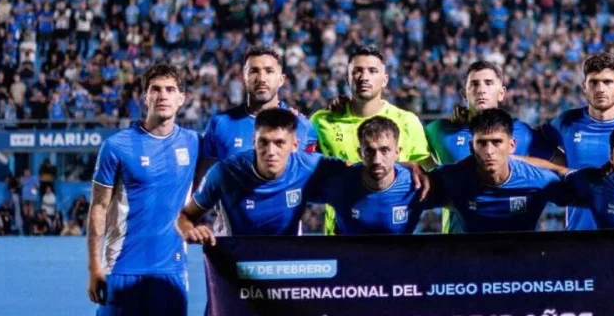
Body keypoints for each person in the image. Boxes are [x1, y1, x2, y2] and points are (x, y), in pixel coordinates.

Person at [180, 109, 431, 242]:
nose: (271, 151)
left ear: (295, 145)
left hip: (288, 270)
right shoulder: (225, 173)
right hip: (235, 271)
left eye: (280, 143)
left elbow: (364, 165)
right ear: (253, 141)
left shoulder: (312, 166)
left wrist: (406, 165)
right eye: (263, 142)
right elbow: (185, 216)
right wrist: (191, 230)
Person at [86, 63, 199, 316]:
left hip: (171, 271)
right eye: (155, 89)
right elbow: (98, 207)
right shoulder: (117, 146)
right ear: (144, 97)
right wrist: (94, 266)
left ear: (181, 98)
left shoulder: (194, 143)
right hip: (121, 269)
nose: (163, 95)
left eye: (170, 89)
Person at [311, 45, 432, 234]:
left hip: (397, 238)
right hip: (339, 238)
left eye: (372, 71)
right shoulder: (322, 121)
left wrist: (412, 165)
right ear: (347, 78)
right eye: (357, 71)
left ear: (385, 80)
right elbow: (303, 166)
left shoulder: (408, 122)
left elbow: (426, 175)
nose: (364, 77)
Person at [533, 53, 614, 230]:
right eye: (594, 82)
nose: (600, 89)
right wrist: (559, 162)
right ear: (584, 86)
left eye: (608, 82)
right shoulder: (567, 122)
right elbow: (530, 139)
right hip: (580, 236)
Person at [425, 60, 541, 233]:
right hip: (458, 243)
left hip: (512, 241)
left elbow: (557, 165)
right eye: (474, 84)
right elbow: (413, 159)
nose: (481, 89)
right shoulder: (440, 131)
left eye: (488, 83)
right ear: (464, 93)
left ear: (501, 93)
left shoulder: (523, 132)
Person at [197, 45, 318, 185]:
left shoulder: (303, 127)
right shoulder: (219, 124)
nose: (261, 78)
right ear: (243, 80)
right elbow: (202, 185)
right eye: (254, 71)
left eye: (269, 71)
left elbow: (312, 184)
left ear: (281, 80)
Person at [432, 109, 568, 233]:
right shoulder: (452, 177)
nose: (489, 151)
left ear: (512, 145)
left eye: (496, 142)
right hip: (466, 249)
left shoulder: (540, 179)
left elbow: (573, 188)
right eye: (482, 143)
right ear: (472, 147)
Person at [315, 116, 437, 235]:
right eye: (369, 151)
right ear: (360, 153)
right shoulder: (341, 183)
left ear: (397, 152)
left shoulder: (417, 184)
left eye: (384, 150)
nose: (377, 160)